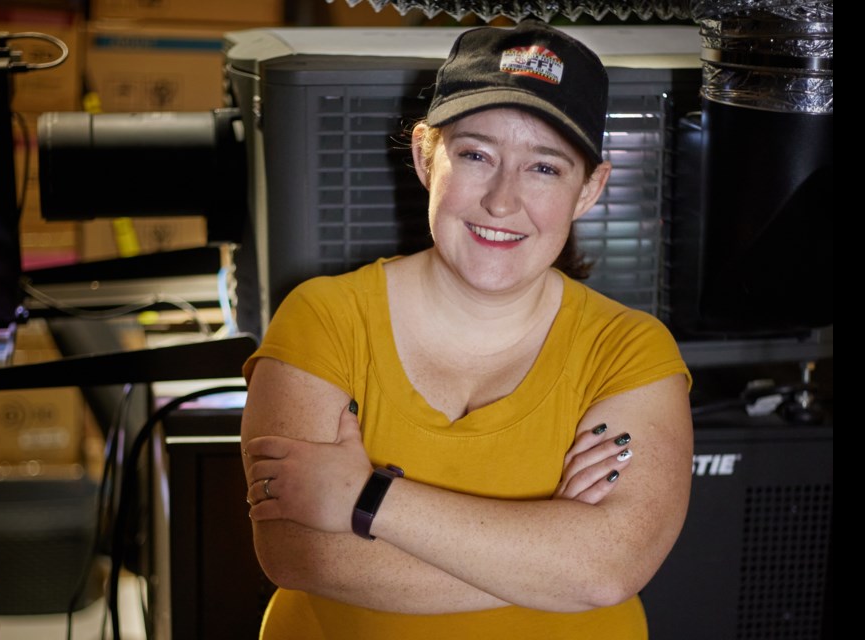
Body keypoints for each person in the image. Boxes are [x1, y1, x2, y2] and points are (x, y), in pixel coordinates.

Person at [240, 19, 693, 640]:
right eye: (477, 155)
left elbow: (609, 569)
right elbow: (300, 554)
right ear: (427, 155)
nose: (502, 201)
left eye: (545, 169)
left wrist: (366, 499)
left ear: (589, 188)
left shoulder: (628, 349)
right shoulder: (325, 317)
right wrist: (551, 556)